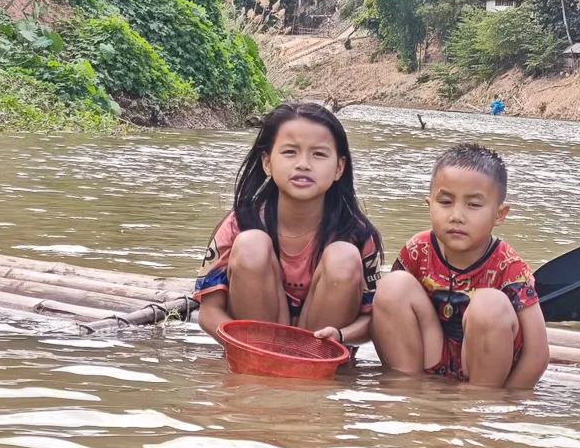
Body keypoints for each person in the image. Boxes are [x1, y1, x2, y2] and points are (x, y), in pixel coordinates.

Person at [195, 101, 384, 351]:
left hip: (321, 353)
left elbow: (371, 320)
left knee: (344, 256)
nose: (303, 164)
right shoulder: (241, 222)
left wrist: (339, 335)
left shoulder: (356, 233)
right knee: (252, 245)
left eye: (318, 154)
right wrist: (243, 347)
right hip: (255, 349)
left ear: (339, 167)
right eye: (290, 152)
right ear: (267, 163)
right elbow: (209, 312)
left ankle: (312, 370)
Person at [371, 144, 549, 389]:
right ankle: (407, 392)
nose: (456, 215)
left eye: (473, 205)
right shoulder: (417, 249)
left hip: (483, 369)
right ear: (429, 204)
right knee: (392, 286)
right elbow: (391, 313)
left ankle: (476, 406)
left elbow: (537, 354)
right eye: (445, 202)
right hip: (432, 354)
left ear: (499, 215)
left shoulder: (509, 266)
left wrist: (507, 405)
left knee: (490, 305)